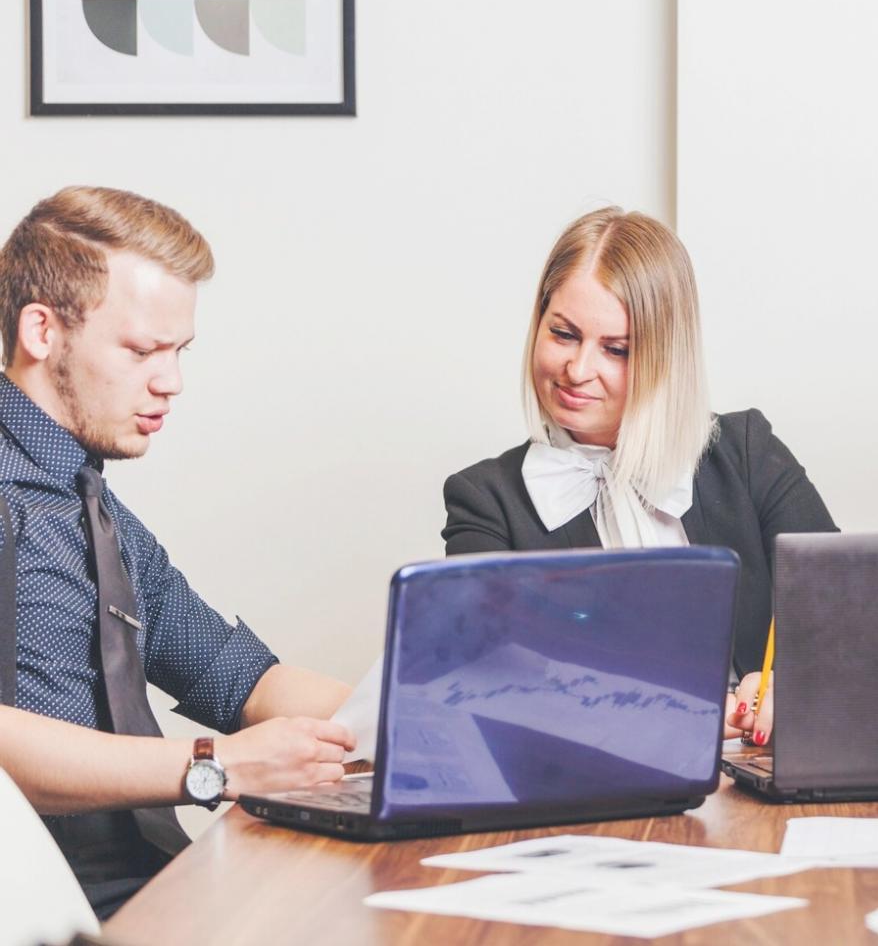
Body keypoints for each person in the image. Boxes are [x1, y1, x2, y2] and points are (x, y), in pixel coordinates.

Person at [0, 187, 356, 918]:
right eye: (141, 350)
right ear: (42, 330)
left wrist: (430, 720)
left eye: (179, 351)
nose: (172, 381)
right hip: (45, 910)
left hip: (152, 893)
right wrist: (214, 767)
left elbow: (240, 680)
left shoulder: (90, 504)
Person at [441, 206, 835, 746]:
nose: (578, 370)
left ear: (666, 357)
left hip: (760, 783)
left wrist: (797, 680)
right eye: (563, 334)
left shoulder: (745, 451)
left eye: (616, 350)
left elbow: (844, 610)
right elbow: (488, 691)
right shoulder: (485, 501)